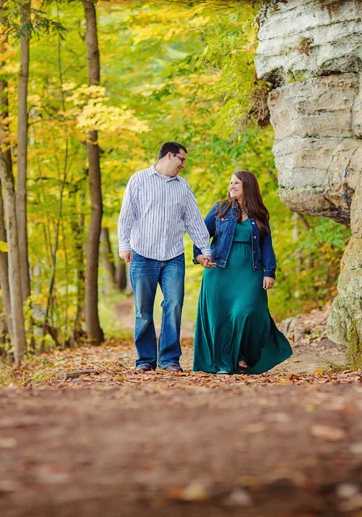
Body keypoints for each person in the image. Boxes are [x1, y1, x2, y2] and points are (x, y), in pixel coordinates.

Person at [118, 142, 213, 372]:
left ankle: (169, 359)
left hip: (173, 256)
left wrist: (205, 250)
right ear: (169, 156)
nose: (183, 165)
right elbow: (126, 215)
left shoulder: (182, 187)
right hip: (142, 255)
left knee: (174, 305)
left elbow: (194, 220)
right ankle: (145, 361)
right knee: (143, 310)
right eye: (182, 160)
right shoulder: (139, 180)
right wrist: (124, 245)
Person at [192, 170, 292, 374]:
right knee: (221, 319)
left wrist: (269, 272)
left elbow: (266, 245)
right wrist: (199, 256)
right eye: (230, 183)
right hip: (219, 272)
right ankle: (227, 363)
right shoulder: (220, 208)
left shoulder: (260, 214)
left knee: (246, 312)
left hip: (250, 271)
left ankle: (244, 356)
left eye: (236, 183)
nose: (231, 186)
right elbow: (201, 234)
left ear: (247, 185)